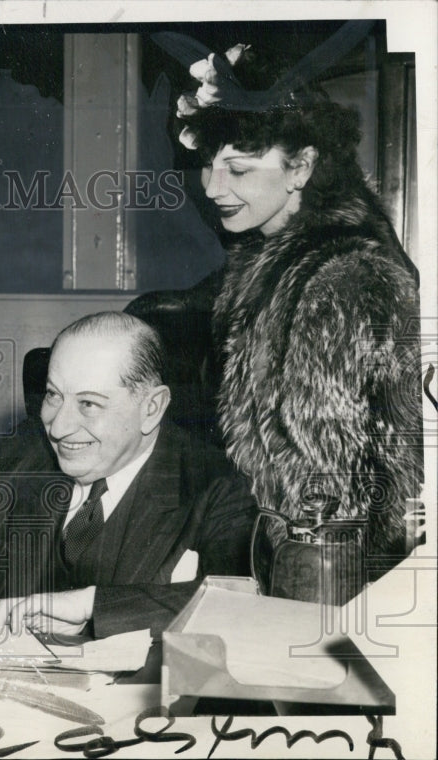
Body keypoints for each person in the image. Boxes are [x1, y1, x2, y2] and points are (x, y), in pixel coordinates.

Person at [158, 31, 421, 570]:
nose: (211, 188)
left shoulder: (342, 281)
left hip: (320, 567)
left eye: (238, 169)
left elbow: (332, 495)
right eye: (208, 164)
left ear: (301, 168)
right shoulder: (263, 258)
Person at [0, 312, 256, 641]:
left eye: (88, 404)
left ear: (151, 408)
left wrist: (91, 606)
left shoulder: (219, 486)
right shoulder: (19, 456)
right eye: (53, 395)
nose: (58, 427)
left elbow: (240, 608)